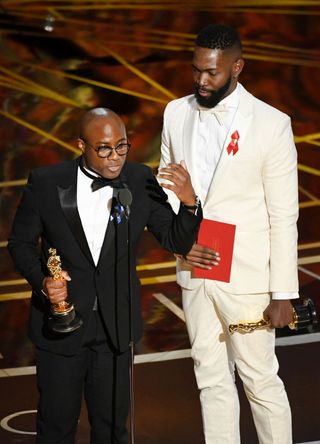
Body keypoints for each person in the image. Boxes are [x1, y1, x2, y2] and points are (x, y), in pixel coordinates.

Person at [8, 107, 202, 444]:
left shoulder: (140, 180)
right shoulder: (46, 182)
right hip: (62, 327)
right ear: (81, 144)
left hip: (116, 328)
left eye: (122, 147)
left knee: (112, 430)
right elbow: (20, 243)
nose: (116, 158)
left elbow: (175, 239)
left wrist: (188, 204)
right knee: (55, 428)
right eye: (105, 149)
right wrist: (43, 282)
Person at [159, 24, 299, 444]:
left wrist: (283, 294)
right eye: (196, 70)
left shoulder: (272, 124)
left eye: (212, 73)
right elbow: (168, 187)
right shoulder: (174, 112)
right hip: (196, 264)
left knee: (260, 381)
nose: (201, 80)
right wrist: (182, 242)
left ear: (237, 67)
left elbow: (283, 214)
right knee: (211, 379)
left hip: (248, 277)